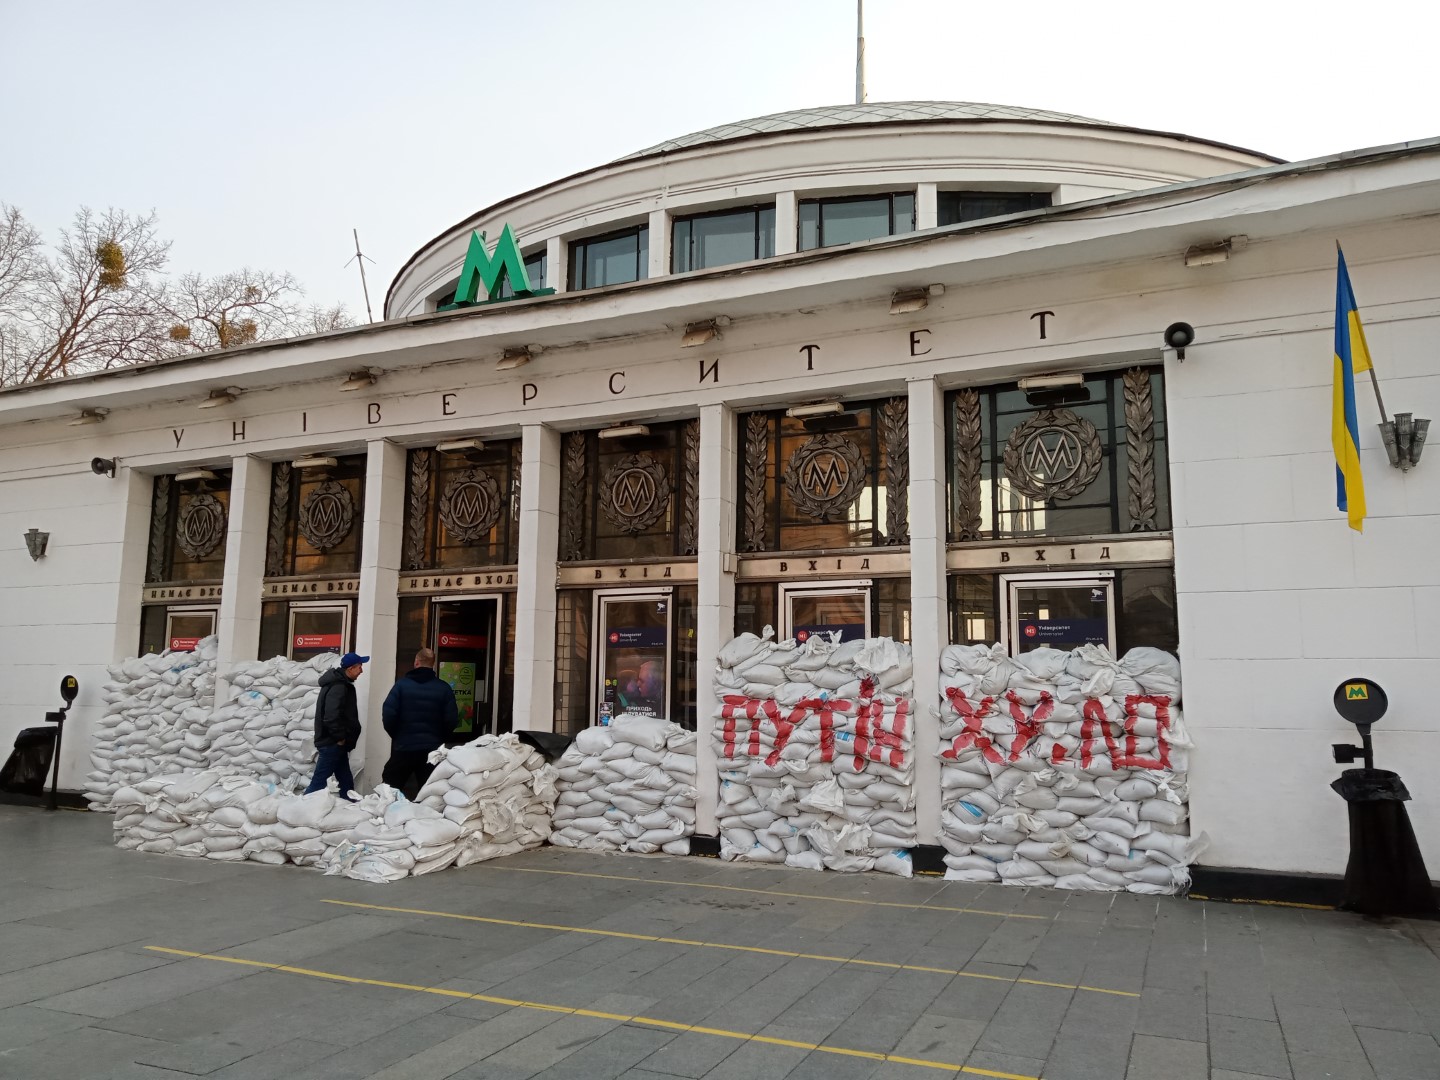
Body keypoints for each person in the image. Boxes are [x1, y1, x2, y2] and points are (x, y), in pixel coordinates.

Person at [381, 647, 459, 794]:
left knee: (390, 789)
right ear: (433, 664)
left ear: (416, 662)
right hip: (431, 751)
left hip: (404, 747)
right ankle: (426, 816)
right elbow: (452, 719)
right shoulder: (443, 688)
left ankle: (389, 815)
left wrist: (397, 736)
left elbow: (389, 715)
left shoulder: (401, 686)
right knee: (430, 794)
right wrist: (439, 738)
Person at [304, 651, 368, 799]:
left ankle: (350, 805)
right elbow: (331, 715)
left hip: (336, 743)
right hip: (332, 742)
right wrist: (339, 737)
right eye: (359, 667)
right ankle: (298, 811)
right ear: (350, 669)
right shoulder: (339, 686)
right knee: (318, 782)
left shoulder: (340, 684)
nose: (361, 671)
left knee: (345, 780)